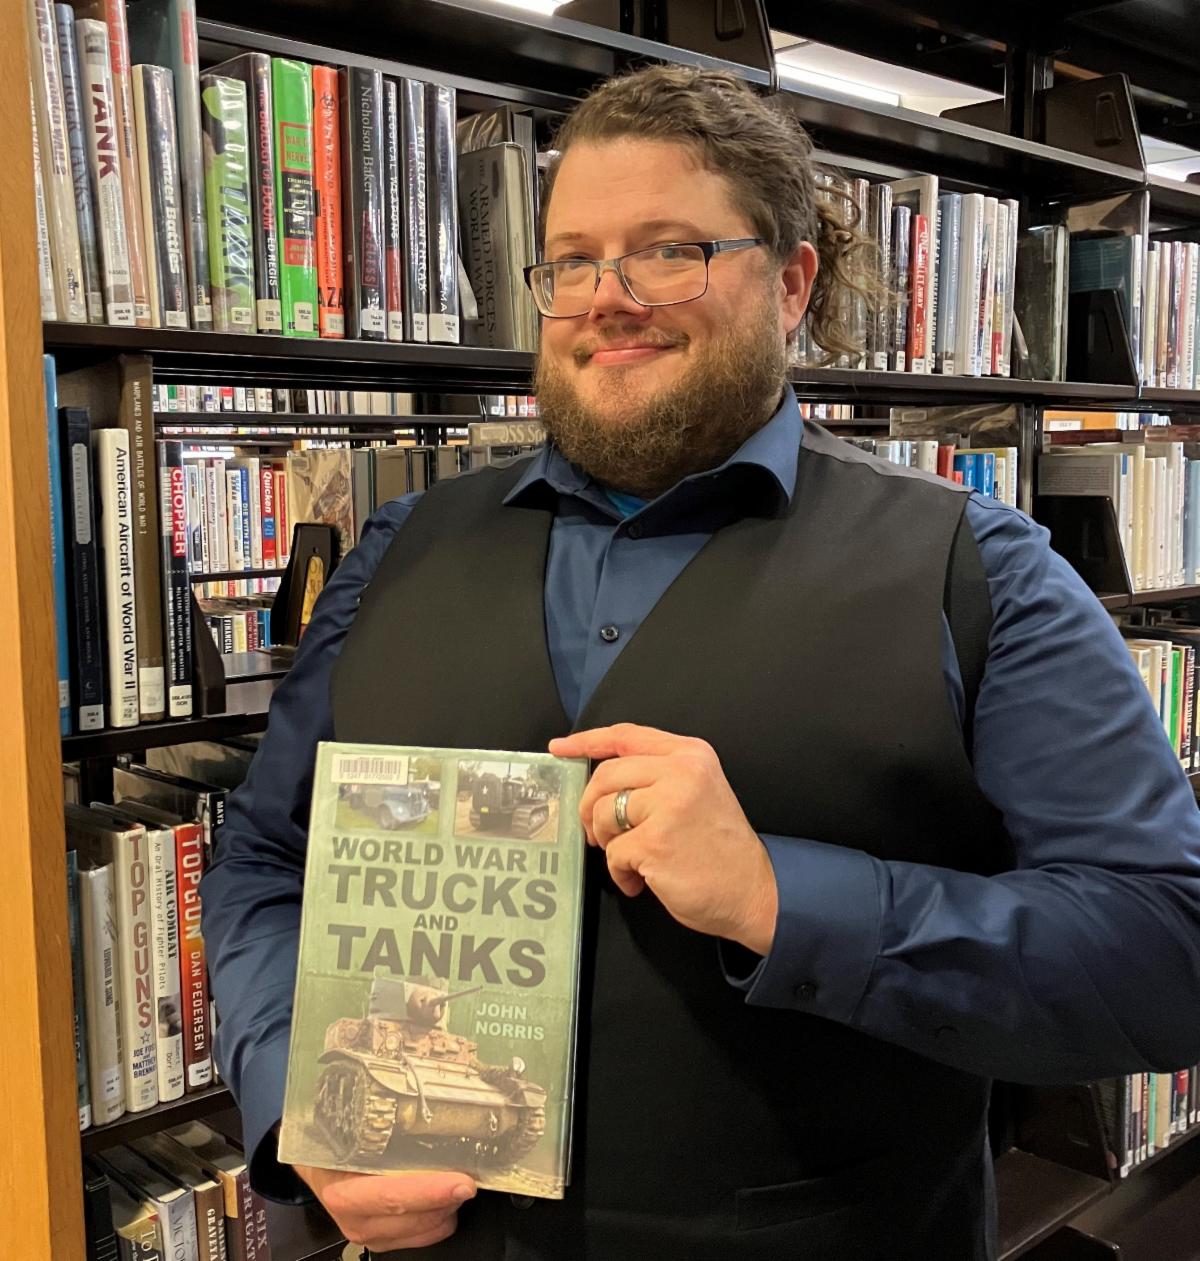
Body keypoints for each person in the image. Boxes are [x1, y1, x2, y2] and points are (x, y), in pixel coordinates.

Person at [201, 64, 1200, 1261]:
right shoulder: (402, 550)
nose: (607, 298)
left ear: (790, 282)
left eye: (668, 250)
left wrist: (780, 898)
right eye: (572, 261)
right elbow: (266, 861)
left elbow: (1163, 945)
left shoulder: (973, 569)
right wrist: (296, 1105)